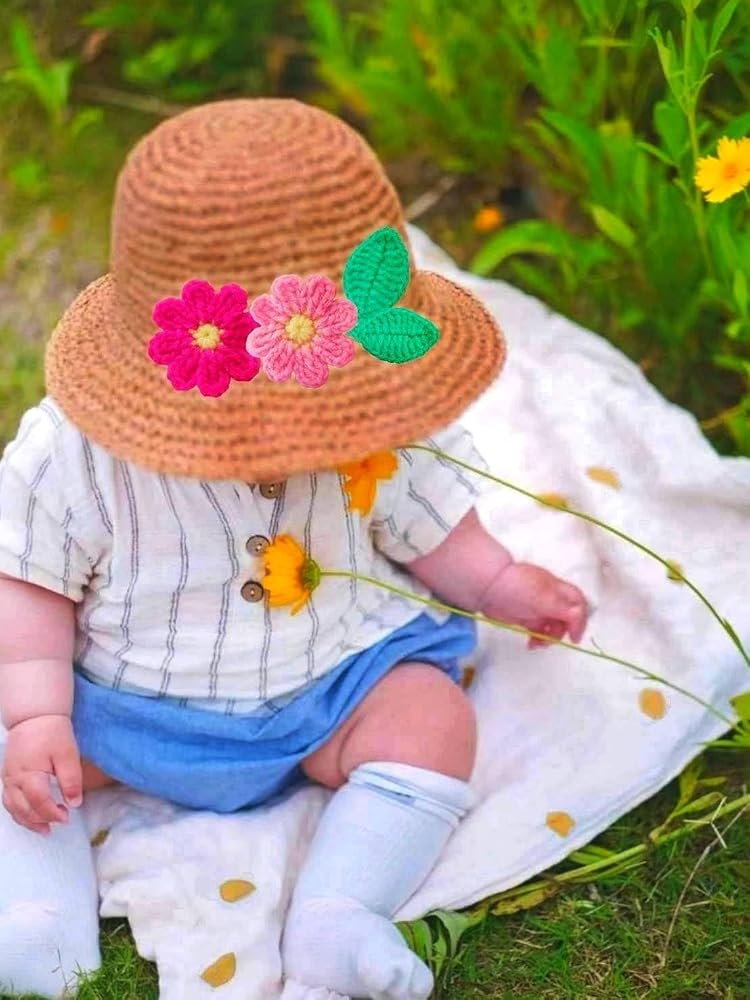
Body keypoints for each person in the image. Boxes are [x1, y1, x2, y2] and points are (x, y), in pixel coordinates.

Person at [0, 99, 587, 999]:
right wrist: (38, 716)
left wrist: (500, 581)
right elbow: (30, 583)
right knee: (21, 765)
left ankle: (339, 912)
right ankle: (40, 923)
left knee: (432, 720)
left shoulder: (378, 419)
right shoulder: (74, 455)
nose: (290, 442)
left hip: (336, 684)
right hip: (128, 710)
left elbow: (431, 520)